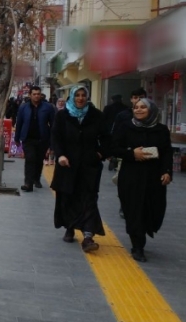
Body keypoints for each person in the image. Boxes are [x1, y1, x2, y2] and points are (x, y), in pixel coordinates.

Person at [109, 98, 172, 262]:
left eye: (143, 107)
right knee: (133, 209)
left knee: (152, 208)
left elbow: (166, 152)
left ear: (151, 110)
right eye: (136, 107)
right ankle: (137, 245)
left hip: (153, 177)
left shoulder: (161, 130)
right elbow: (113, 148)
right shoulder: (126, 127)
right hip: (131, 175)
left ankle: (142, 235)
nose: (138, 110)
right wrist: (132, 154)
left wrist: (167, 171)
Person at [50, 85, 109, 252]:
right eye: (77, 95)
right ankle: (69, 227)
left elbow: (107, 138)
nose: (81, 98)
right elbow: (56, 137)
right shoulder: (62, 115)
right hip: (67, 165)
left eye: (84, 95)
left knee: (89, 199)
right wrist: (60, 155)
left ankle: (88, 236)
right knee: (68, 197)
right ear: (72, 97)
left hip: (89, 166)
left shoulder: (96, 115)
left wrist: (100, 154)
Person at [111, 88, 147, 218]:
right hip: (126, 155)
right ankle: (124, 205)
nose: (138, 100)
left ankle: (141, 206)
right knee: (124, 182)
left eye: (141, 97)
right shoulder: (123, 115)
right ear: (131, 99)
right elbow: (115, 137)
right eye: (135, 97)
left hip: (146, 155)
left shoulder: (151, 114)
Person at [14, 86, 56, 192]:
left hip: (42, 139)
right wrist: (17, 138)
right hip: (28, 138)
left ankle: (36, 179)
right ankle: (28, 183)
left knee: (38, 160)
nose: (36, 96)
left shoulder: (48, 107)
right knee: (30, 159)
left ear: (41, 95)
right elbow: (19, 123)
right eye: (34, 94)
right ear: (30, 95)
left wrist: (52, 143)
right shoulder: (24, 107)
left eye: (38, 94)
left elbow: (53, 125)